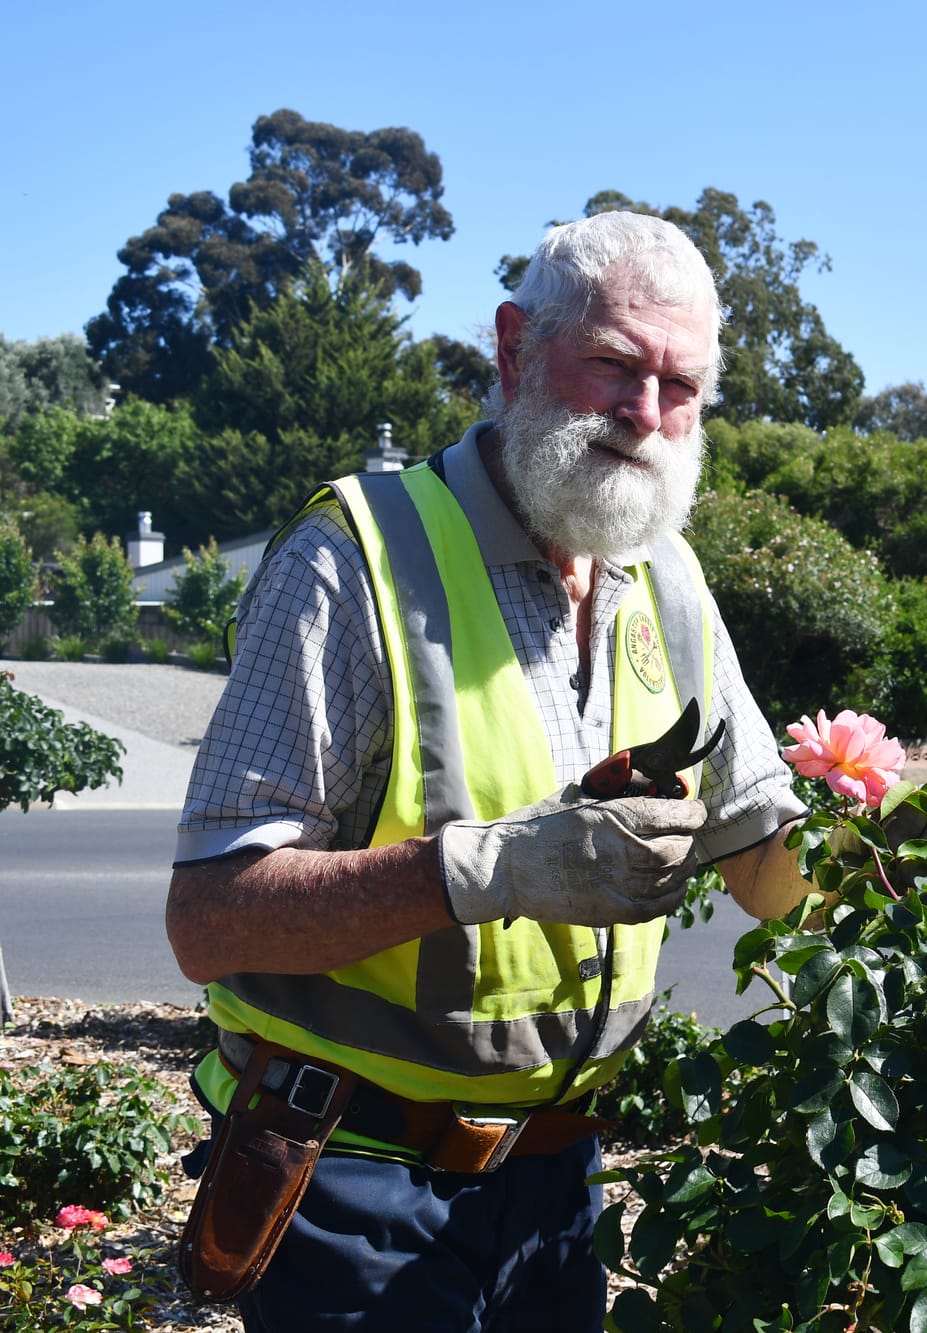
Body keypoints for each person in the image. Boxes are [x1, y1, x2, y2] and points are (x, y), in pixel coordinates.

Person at [166, 211, 816, 1332]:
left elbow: (767, 858)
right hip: (351, 1180)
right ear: (513, 350)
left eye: (682, 386)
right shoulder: (355, 560)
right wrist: (490, 869)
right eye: (614, 365)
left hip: (559, 1188)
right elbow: (211, 918)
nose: (645, 416)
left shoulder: (667, 580)